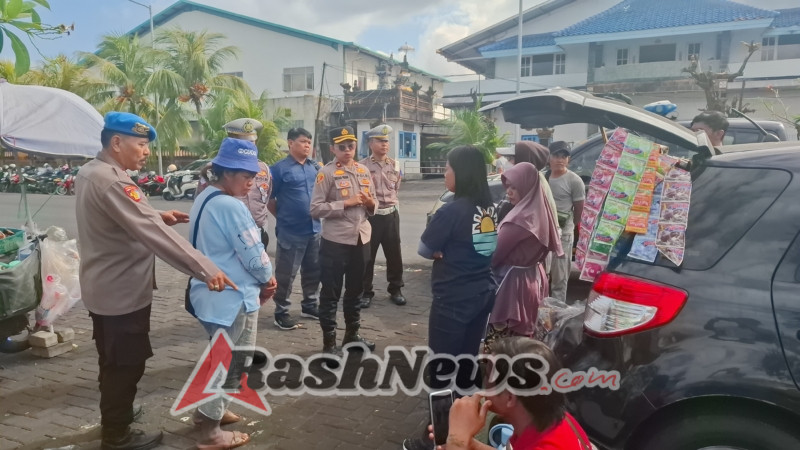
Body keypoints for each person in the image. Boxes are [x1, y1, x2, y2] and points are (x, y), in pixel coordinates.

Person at [76, 112, 235, 450]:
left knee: (111, 361)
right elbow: (154, 235)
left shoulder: (91, 172)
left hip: (102, 289)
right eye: (141, 144)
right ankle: (117, 435)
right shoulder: (114, 181)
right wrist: (206, 269)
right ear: (117, 143)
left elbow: (122, 217)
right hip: (121, 294)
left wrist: (159, 214)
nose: (146, 151)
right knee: (125, 365)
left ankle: (115, 419)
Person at [404, 145, 498, 450]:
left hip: (453, 298)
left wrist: (441, 251)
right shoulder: (489, 208)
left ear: (462, 173)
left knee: (442, 370)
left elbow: (423, 249)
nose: (445, 173)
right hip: (481, 294)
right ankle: (467, 431)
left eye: (447, 168)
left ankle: (439, 438)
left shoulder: (452, 210)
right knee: (467, 365)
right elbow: (485, 249)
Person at [188, 137, 277, 450]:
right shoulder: (231, 205)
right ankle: (210, 433)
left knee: (217, 357)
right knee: (230, 363)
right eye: (245, 177)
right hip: (233, 297)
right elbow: (254, 254)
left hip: (209, 295)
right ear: (225, 174)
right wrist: (268, 279)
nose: (251, 183)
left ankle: (207, 413)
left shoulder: (206, 195)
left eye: (254, 177)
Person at [428, 337, 592, 450]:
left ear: (509, 398)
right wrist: (468, 443)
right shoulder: (556, 420)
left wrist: (458, 441)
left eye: (487, 377)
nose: (483, 386)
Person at [310, 126, 377, 355]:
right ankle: (329, 344)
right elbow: (315, 209)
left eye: (351, 146)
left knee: (356, 290)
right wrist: (345, 204)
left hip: (362, 238)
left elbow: (374, 204)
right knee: (330, 293)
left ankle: (352, 335)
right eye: (342, 147)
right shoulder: (326, 173)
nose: (347, 150)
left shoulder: (363, 171)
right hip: (335, 242)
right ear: (333, 149)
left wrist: (369, 203)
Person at [486, 162, 563, 347]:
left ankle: (499, 375)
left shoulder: (520, 219)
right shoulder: (540, 211)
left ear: (527, 187)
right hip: (531, 278)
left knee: (502, 343)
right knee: (523, 342)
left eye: (515, 187)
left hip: (512, 285)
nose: (509, 192)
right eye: (508, 187)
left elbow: (493, 255)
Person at [268, 127, 323, 330]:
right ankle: (281, 312)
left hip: (315, 230)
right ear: (290, 143)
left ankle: (310, 305)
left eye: (309, 142)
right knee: (286, 274)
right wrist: (284, 217)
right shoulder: (279, 169)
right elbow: (270, 199)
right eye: (302, 142)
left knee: (313, 271)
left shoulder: (314, 167)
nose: (307, 145)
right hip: (291, 232)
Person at [359, 124, 406, 308]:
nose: (384, 144)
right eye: (380, 141)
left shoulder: (395, 164)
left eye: (386, 141)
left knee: (394, 254)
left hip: (391, 215)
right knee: (367, 256)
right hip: (372, 216)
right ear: (371, 143)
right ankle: (366, 292)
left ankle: (396, 289)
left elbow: (396, 189)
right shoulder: (362, 166)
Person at [547, 141, 585, 302]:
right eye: (556, 155)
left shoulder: (574, 181)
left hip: (564, 236)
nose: (560, 159)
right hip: (543, 233)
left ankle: (557, 316)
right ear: (549, 157)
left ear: (568, 159)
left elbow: (579, 210)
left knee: (559, 279)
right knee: (541, 276)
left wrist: (568, 228)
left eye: (564, 156)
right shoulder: (543, 177)